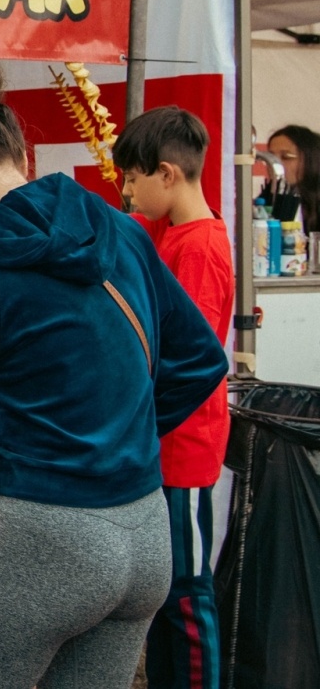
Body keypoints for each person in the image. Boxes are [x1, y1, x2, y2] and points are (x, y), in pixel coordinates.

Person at [0, 65, 228, 689]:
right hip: (146, 531)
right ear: (22, 155)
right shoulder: (123, 231)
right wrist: (116, 432)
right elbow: (202, 361)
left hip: (42, 539)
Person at [114, 106, 233, 689]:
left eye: (132, 180)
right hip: (158, 443)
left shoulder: (202, 248)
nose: (127, 193)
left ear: (168, 175)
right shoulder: (168, 233)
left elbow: (193, 360)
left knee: (186, 591)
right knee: (163, 592)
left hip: (183, 446)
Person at [266, 124, 320, 233]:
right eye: (270, 158)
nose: (275, 164)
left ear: (311, 161)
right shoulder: (265, 203)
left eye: (286, 157)